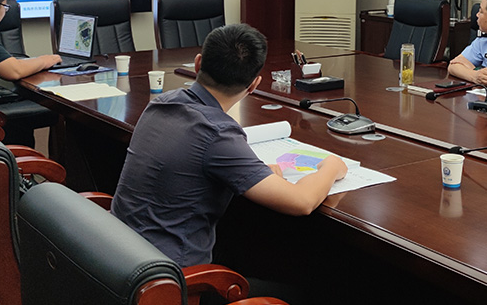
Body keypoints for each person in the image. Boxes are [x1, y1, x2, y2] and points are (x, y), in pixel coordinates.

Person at [112, 22, 347, 267]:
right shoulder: (217, 133)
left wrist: (254, 171)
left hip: (119, 257)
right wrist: (332, 166)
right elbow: (302, 202)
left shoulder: (161, 104)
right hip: (171, 277)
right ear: (254, 85)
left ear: (198, 63)